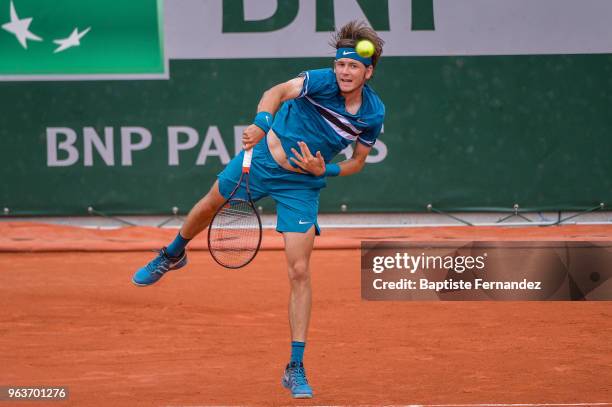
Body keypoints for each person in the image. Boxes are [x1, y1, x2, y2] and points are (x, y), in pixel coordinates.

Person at [132, 20, 385, 399]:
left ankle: (295, 366)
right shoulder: (319, 80)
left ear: (369, 71)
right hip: (264, 158)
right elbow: (277, 91)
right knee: (209, 205)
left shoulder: (372, 113)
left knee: (299, 270)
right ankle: (172, 253)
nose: (344, 72)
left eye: (352, 67)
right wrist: (262, 124)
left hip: (302, 183)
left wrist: (327, 169)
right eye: (340, 65)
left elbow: (359, 161)